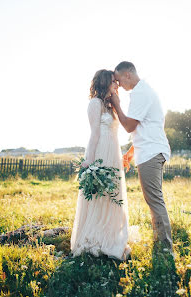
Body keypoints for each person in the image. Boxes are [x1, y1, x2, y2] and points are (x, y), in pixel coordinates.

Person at [110, 61, 174, 254]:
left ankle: (165, 249)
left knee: (154, 200)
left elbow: (130, 126)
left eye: (119, 80)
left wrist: (116, 104)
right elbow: (143, 129)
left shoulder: (140, 93)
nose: (119, 85)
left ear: (128, 74)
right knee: (153, 199)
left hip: (151, 153)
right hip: (150, 150)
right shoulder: (143, 91)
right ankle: (161, 244)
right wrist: (130, 154)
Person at [70, 69, 131, 261]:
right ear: (105, 82)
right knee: (100, 194)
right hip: (101, 152)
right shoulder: (95, 104)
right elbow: (94, 133)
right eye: (113, 81)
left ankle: (111, 235)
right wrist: (89, 160)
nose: (117, 84)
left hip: (114, 152)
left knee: (113, 194)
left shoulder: (111, 105)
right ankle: (95, 237)